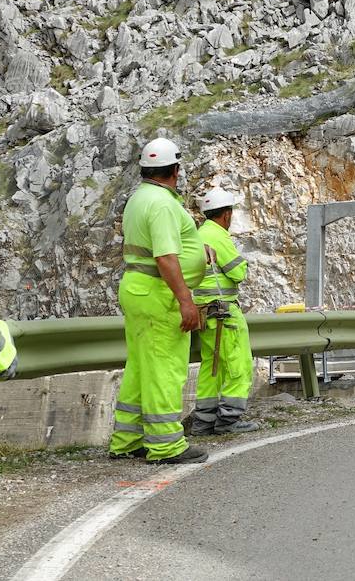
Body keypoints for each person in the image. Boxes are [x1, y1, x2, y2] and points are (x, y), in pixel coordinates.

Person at [108, 138, 210, 465]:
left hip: (136, 287)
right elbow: (166, 258)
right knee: (165, 368)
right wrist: (186, 301)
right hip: (157, 292)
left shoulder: (139, 198)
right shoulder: (164, 204)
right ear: (176, 170)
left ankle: (128, 439)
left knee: (140, 366)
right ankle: (166, 445)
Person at [192, 187, 258, 435]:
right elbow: (238, 273)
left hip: (204, 313)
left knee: (212, 368)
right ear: (227, 214)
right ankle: (229, 420)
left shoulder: (198, 234)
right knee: (238, 366)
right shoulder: (219, 236)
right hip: (224, 313)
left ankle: (203, 421)